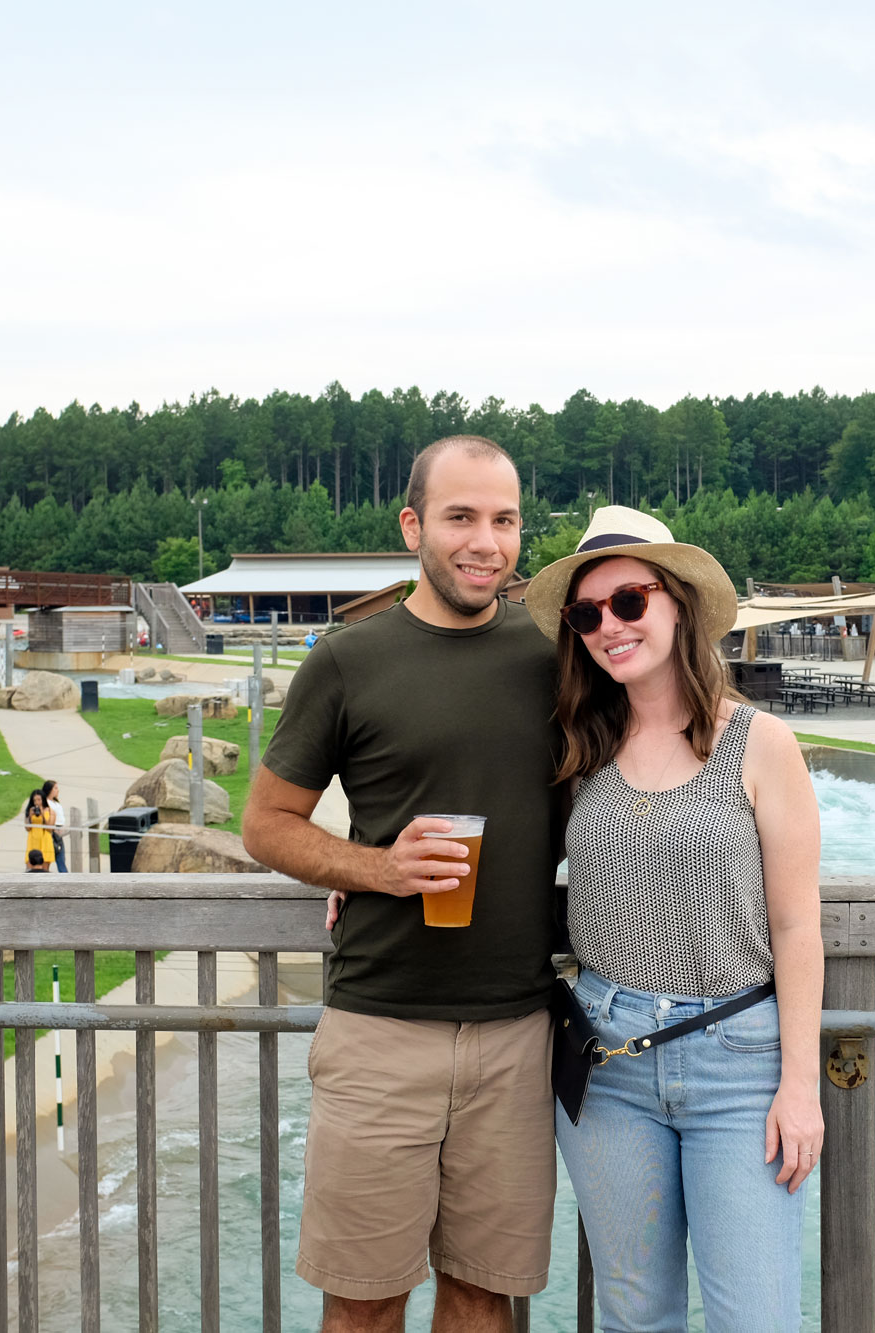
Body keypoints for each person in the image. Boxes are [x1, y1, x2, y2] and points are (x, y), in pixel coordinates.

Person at [242, 435, 561, 1333]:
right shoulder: (348, 660)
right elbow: (266, 825)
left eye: (504, 521)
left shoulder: (553, 654)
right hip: (378, 1030)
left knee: (481, 1294)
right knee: (365, 1300)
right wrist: (377, 868)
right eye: (461, 517)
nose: (485, 542)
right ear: (414, 525)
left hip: (517, 1030)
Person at [524, 506, 825, 1330]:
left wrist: (800, 1085)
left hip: (741, 1061)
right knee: (634, 1317)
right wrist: (372, 872)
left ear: (679, 603)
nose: (608, 626)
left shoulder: (761, 743)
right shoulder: (579, 746)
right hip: (607, 1061)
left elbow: (799, 926)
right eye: (586, 614)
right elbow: (496, 840)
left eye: (630, 600)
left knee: (756, 1317)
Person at [24, 789, 56, 870]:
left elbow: (50, 829)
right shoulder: (30, 811)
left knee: (44, 869)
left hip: (45, 840)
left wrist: (42, 815)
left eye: (39, 800)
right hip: (33, 840)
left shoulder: (50, 811)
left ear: (43, 799)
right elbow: (27, 828)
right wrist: (30, 816)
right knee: (30, 868)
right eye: (34, 800)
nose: (36, 802)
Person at [41, 780, 68, 873]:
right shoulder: (46, 803)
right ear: (49, 790)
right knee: (48, 861)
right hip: (52, 834)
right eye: (55, 788)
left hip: (59, 834)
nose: (58, 790)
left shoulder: (56, 803)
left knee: (61, 859)